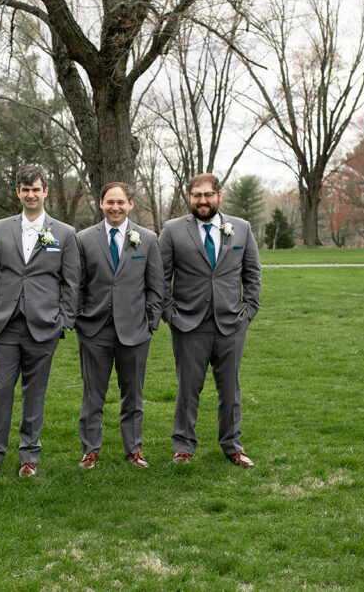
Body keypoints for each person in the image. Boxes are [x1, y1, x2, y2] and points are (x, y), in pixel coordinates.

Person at [0, 165, 79, 478]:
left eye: (36, 189)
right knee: (0, 389)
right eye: (25, 189)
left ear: (45, 192)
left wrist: (64, 320)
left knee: (35, 392)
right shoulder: (0, 228)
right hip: (4, 324)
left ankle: (29, 456)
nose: (31, 195)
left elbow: (72, 282)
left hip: (44, 325)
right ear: (18, 192)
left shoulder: (64, 233)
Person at [157, 173, 261, 467]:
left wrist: (248, 310)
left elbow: (252, 273)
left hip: (231, 323)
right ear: (189, 197)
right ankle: (183, 446)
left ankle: (232, 445)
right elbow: (160, 276)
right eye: (196, 195)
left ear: (219, 196)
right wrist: (170, 314)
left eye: (208, 195)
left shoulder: (241, 228)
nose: (202, 200)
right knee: (188, 389)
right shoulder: (173, 230)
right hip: (189, 324)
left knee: (230, 390)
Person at [75, 182, 162, 470]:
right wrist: (80, 319)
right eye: (110, 202)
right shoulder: (84, 239)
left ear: (130, 204)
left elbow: (156, 286)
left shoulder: (147, 239)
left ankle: (133, 450)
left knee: (133, 395)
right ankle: (90, 451)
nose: (115, 207)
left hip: (135, 331)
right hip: (94, 329)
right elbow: (77, 284)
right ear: (101, 203)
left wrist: (150, 322)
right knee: (93, 395)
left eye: (120, 202)